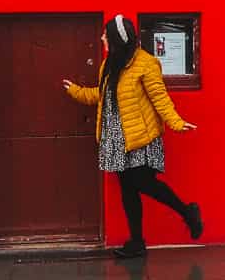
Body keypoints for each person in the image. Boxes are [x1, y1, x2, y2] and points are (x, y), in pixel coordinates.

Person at [63, 14, 202, 259]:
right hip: (116, 137)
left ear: (117, 39)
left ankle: (187, 212)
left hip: (139, 136)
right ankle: (136, 242)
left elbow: (159, 97)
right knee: (128, 189)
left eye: (106, 35)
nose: (102, 38)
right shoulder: (109, 63)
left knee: (143, 183)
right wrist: (77, 92)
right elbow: (103, 94)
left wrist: (176, 122)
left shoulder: (146, 63)